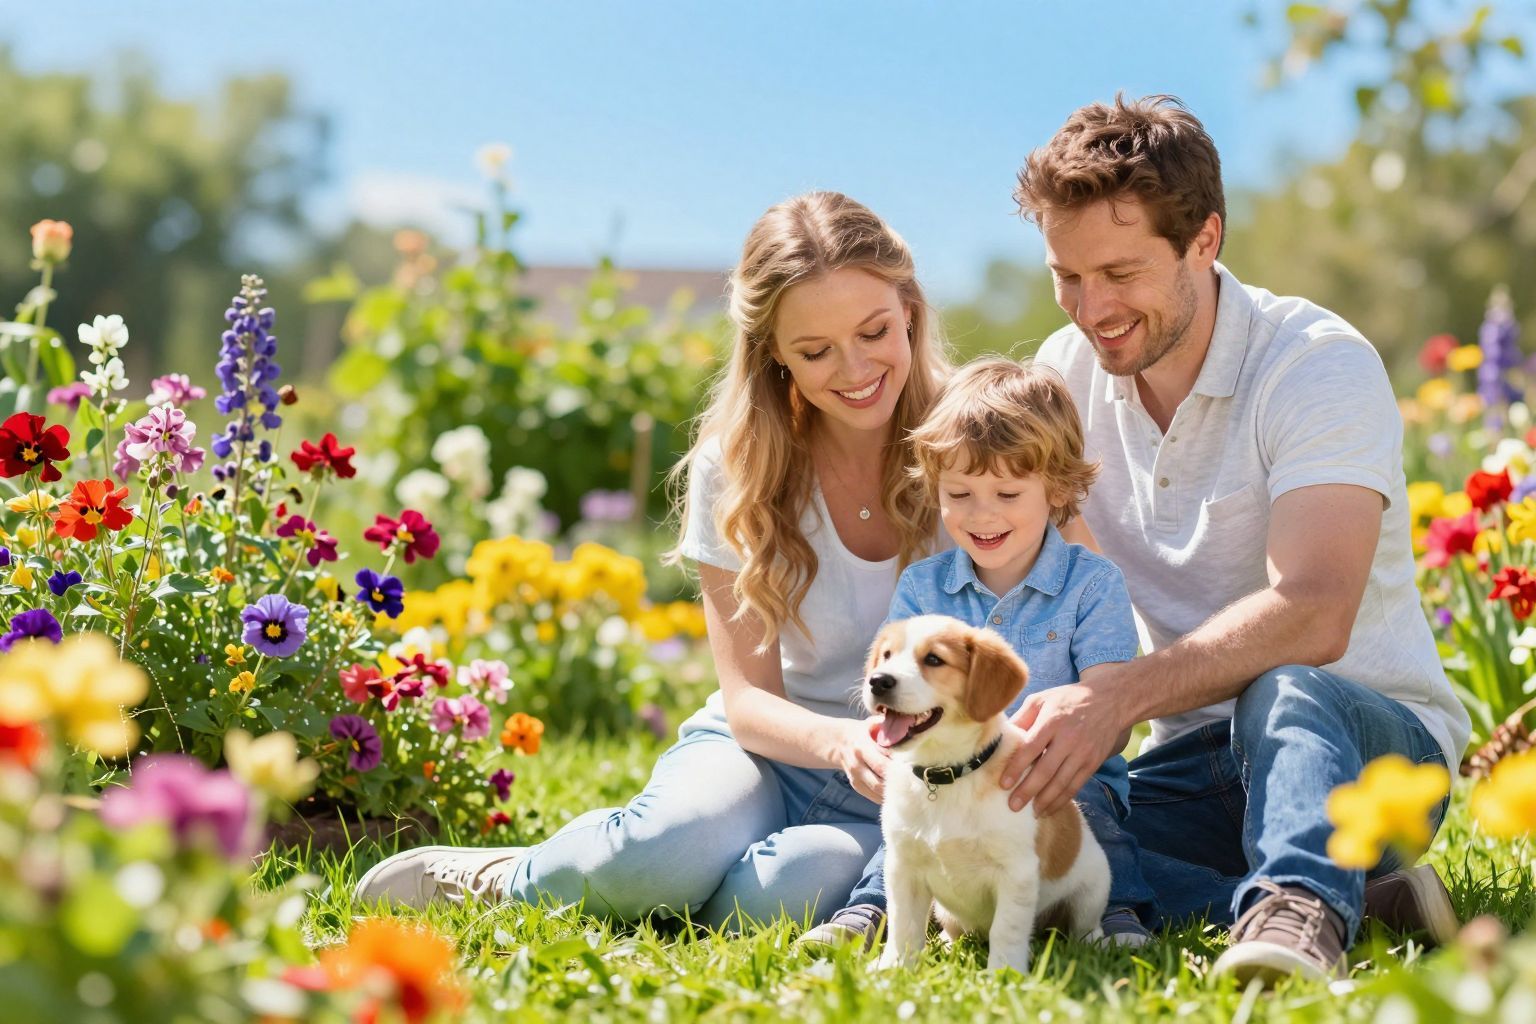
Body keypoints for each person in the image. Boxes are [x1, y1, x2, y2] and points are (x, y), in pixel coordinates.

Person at [351, 190, 953, 928]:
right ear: (774, 354)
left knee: (777, 896)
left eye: (874, 331)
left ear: (910, 310)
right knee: (664, 851)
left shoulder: (977, 448)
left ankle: (662, 888)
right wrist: (839, 741)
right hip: (768, 749)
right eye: (815, 351)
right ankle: (517, 877)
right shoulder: (741, 467)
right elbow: (748, 700)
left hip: (911, 772)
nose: (854, 368)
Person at [995, 94, 1470, 983]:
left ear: (1204, 240)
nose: (1092, 308)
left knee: (1285, 687)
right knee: (1040, 847)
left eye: (1120, 272)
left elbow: (1315, 612)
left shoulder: (1314, 362)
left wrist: (1120, 698)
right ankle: (1369, 909)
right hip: (1197, 759)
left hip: (1368, 754)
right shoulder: (1062, 378)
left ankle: (1298, 914)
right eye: (1068, 276)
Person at [799, 358, 1159, 953]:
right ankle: (871, 910)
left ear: (1058, 489)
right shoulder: (924, 585)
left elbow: (1111, 714)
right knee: (909, 815)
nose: (981, 514)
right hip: (943, 769)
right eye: (959, 494)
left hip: (1058, 772)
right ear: (934, 489)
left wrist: (1050, 740)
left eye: (1007, 493)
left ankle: (1117, 911)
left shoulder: (1093, 583)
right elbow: (892, 678)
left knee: (1083, 804)